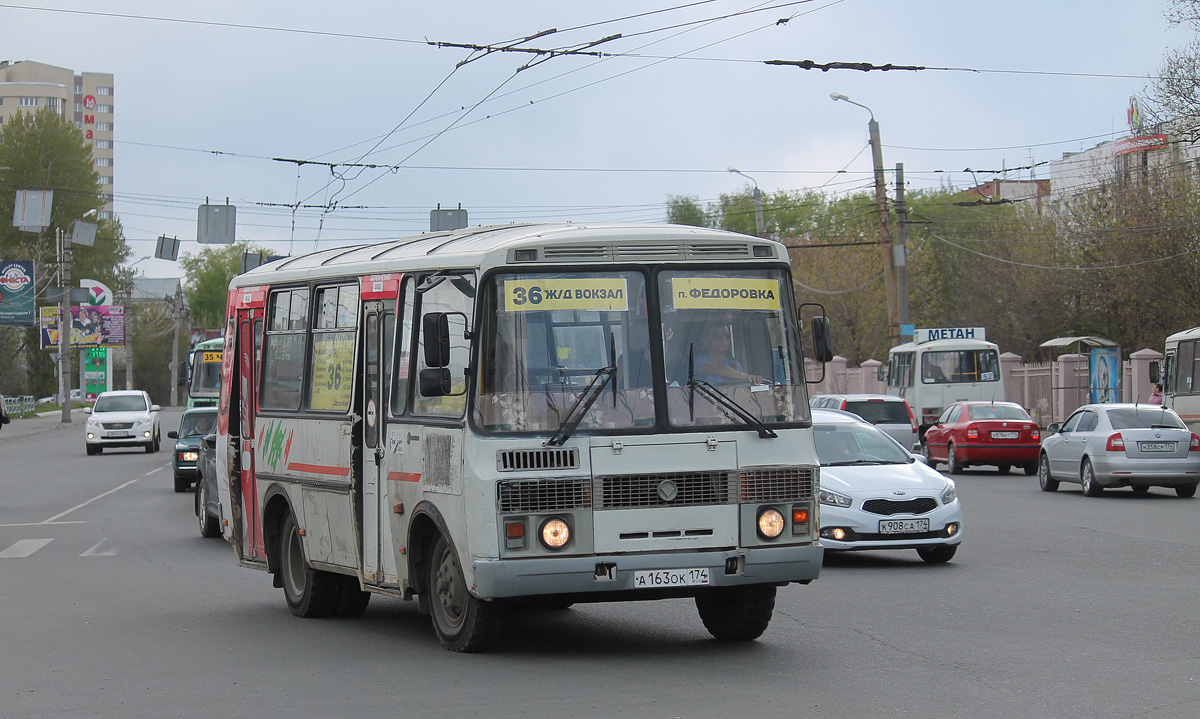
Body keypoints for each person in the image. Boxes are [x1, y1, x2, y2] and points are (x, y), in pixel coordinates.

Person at [694, 327, 762, 385]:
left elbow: (744, 389)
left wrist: (754, 380)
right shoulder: (697, 361)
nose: (724, 339)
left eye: (727, 336)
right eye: (718, 336)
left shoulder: (734, 365)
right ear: (705, 340)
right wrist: (745, 376)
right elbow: (714, 369)